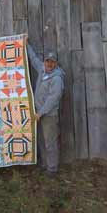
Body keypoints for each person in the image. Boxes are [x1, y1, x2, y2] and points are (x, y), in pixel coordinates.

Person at [26, 41, 65, 175]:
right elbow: (33, 59)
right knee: (42, 140)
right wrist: (26, 45)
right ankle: (44, 164)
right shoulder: (42, 69)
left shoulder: (57, 79)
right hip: (39, 114)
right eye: (47, 61)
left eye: (52, 62)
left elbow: (52, 99)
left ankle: (52, 169)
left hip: (48, 115)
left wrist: (40, 113)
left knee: (50, 142)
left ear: (56, 63)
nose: (49, 64)